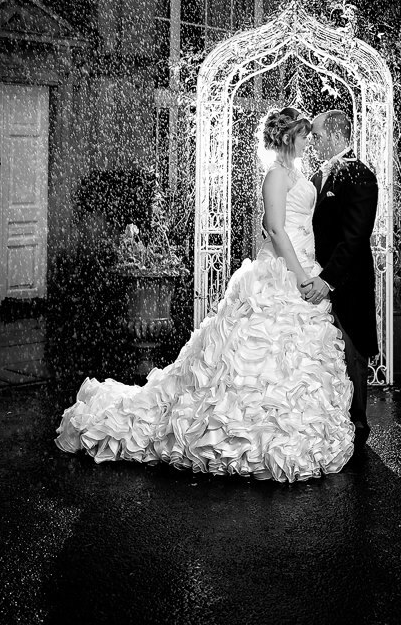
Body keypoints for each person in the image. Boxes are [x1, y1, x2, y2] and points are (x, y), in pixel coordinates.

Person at [55, 106, 354, 483]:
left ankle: (290, 434)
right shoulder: (276, 176)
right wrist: (298, 276)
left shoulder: (299, 174)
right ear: (287, 137)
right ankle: (243, 436)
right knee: (251, 359)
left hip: (303, 266)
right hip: (284, 273)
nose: (308, 139)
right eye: (302, 134)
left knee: (294, 364)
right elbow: (276, 229)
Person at [301, 110, 379, 447]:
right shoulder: (318, 177)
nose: (312, 143)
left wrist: (327, 279)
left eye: (316, 136)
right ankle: (330, 425)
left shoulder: (359, 174)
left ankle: (357, 428)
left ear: (334, 136)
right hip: (316, 278)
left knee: (351, 353)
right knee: (324, 355)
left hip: (346, 284)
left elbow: (355, 237)